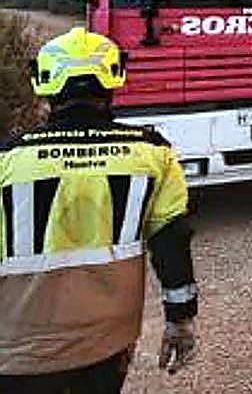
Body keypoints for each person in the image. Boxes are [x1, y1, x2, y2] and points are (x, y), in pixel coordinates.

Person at [0, 27, 198, 392]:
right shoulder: (153, 155)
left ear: (44, 83)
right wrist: (180, 320)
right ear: (114, 80)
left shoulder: (7, 161)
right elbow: (172, 242)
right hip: (107, 343)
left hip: (16, 349)